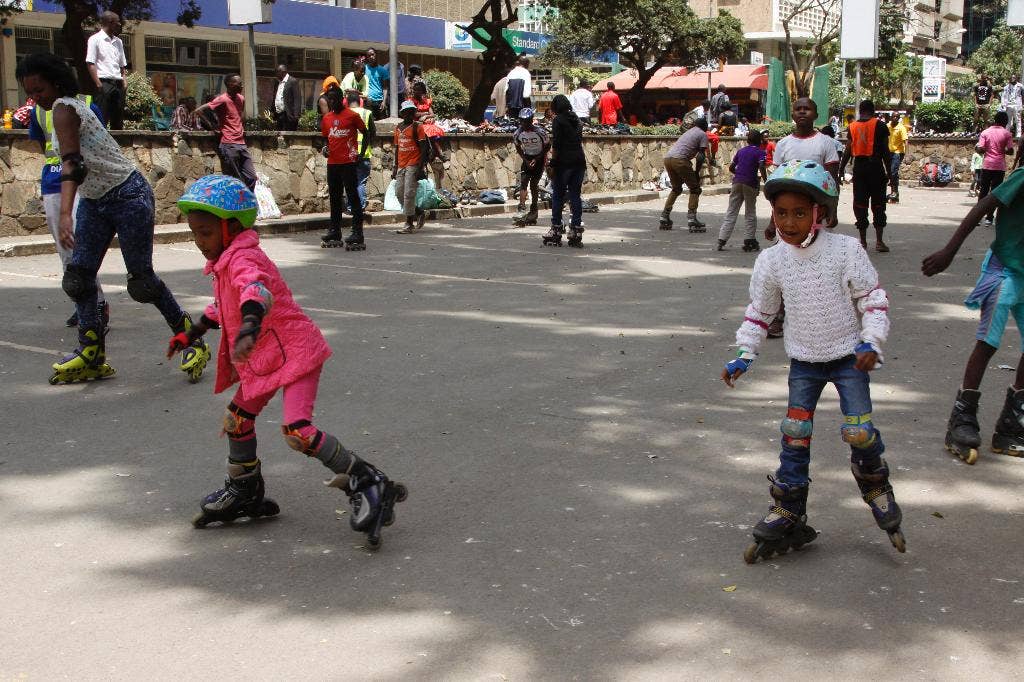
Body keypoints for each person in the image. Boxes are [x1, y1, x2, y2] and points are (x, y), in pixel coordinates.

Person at [172, 175, 407, 545]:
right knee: (236, 420)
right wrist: (193, 332)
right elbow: (224, 305)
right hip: (266, 358)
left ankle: (367, 478)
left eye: (204, 233)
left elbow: (256, 291)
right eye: (195, 234)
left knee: (297, 431)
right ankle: (245, 489)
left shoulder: (244, 257)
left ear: (229, 227)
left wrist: (250, 323)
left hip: (295, 352)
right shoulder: (225, 259)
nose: (199, 243)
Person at [722, 160, 903, 563]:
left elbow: (872, 299)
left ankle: (875, 485)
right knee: (794, 432)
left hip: (848, 360)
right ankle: (788, 507)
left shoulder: (845, 250)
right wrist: (744, 355)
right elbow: (760, 313)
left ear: (819, 213)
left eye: (800, 213)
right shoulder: (771, 261)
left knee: (859, 432)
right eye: (782, 212)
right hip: (804, 361)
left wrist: (871, 340)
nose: (789, 221)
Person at [17, 52, 210, 385]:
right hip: (95, 200)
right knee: (78, 276)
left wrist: (65, 214)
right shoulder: (57, 108)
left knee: (142, 282)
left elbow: (73, 165)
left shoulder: (64, 108)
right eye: (30, 92)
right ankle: (91, 351)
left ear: (56, 83)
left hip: (127, 195)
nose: (36, 98)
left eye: (40, 90)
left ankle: (191, 338)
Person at [923, 166, 1024, 464]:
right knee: (989, 341)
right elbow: (983, 206)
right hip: (1003, 269)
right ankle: (962, 417)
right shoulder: (1022, 177)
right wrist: (949, 252)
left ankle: (1012, 422)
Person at [29, 93, 107, 327]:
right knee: (66, 251)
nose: (35, 92)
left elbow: (100, 140)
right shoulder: (38, 110)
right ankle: (84, 304)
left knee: (80, 249)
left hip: (83, 182)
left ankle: (97, 306)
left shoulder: (87, 104)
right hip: (54, 183)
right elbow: (44, 146)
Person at [839, 99, 892, 252]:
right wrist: (890, 173)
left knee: (860, 204)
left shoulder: (852, 127)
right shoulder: (880, 125)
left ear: (860, 111)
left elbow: (848, 149)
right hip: (875, 168)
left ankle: (862, 241)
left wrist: (841, 169)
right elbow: (885, 152)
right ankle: (879, 242)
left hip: (860, 169)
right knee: (878, 204)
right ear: (873, 110)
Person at [319, 86, 368, 250]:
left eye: (334, 99)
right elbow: (327, 138)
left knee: (352, 197)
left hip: (348, 162)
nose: (332, 102)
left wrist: (360, 153)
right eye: (329, 99)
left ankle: (357, 231)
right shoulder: (327, 118)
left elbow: (367, 132)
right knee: (334, 197)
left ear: (341, 99)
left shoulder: (352, 116)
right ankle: (334, 230)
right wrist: (325, 148)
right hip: (333, 163)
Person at [194, 74, 257, 191]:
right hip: (228, 144)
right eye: (239, 83)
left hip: (241, 143)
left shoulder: (241, 99)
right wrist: (213, 126)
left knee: (252, 177)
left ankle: (247, 202)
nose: (242, 86)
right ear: (230, 84)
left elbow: (239, 116)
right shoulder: (222, 99)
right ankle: (238, 205)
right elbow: (199, 111)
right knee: (235, 180)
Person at [542, 94, 587, 248]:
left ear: (555, 107)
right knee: (575, 195)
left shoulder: (558, 120)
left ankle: (556, 228)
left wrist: (552, 164)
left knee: (558, 195)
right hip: (579, 162)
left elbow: (557, 145)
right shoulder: (577, 120)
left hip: (564, 163)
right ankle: (575, 229)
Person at [716, 129, 767, 252]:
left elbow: (732, 167)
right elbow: (761, 166)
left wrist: (739, 173)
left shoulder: (741, 151)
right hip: (750, 183)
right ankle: (749, 240)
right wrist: (766, 181)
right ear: (759, 141)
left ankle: (722, 239)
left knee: (731, 211)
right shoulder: (760, 152)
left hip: (737, 181)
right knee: (750, 212)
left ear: (748, 140)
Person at [659, 117, 709, 232]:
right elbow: (701, 155)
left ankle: (664, 216)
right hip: (680, 160)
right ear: (703, 125)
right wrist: (696, 172)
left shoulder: (689, 132)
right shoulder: (702, 134)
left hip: (668, 159)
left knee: (676, 189)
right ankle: (692, 218)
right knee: (695, 189)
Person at [392, 100, 430, 235]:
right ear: (402, 113)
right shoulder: (398, 128)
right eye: (406, 112)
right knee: (398, 192)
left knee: (409, 193)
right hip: (401, 164)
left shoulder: (417, 127)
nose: (409, 115)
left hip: (413, 163)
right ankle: (418, 212)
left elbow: (424, 148)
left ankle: (409, 223)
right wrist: (395, 167)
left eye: (411, 112)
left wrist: (420, 167)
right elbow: (397, 148)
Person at [86, 11, 127, 130]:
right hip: (103, 82)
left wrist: (124, 82)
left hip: (118, 83)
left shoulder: (118, 42)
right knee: (101, 119)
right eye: (117, 23)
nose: (119, 25)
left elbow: (122, 65)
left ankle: (118, 147)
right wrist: (98, 84)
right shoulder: (95, 39)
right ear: (110, 23)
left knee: (118, 121)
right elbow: (90, 63)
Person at [976, 110, 1016, 225]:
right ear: (1005, 122)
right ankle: (989, 218)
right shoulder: (1007, 134)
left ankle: (978, 218)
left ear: (995, 120)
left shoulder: (985, 132)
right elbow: (1010, 151)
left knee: (983, 191)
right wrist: (1001, 150)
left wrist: (986, 149)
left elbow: (980, 149)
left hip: (987, 165)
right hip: (999, 167)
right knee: (995, 192)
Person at [512, 107, 550, 227]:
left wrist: (537, 159)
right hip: (527, 158)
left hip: (539, 159)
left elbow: (548, 146)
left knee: (534, 185)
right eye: (522, 122)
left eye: (527, 121)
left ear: (531, 120)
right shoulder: (517, 133)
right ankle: (521, 208)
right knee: (523, 182)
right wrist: (525, 159)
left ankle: (534, 210)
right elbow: (518, 146)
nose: (525, 124)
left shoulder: (540, 131)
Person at [410, 81, 447, 190]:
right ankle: (437, 152)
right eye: (415, 89)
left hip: (426, 122)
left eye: (419, 90)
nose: (416, 91)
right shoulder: (411, 101)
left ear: (422, 91)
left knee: (433, 130)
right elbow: (415, 114)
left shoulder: (426, 101)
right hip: (417, 124)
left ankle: (437, 152)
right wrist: (426, 114)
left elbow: (432, 114)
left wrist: (428, 117)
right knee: (427, 131)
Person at [347, 93, 376, 210]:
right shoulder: (367, 113)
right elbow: (373, 133)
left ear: (347, 102)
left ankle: (350, 207)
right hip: (364, 154)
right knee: (360, 182)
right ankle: (360, 207)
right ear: (360, 102)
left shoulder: (345, 114)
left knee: (350, 182)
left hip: (349, 154)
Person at [272, 64, 301, 131]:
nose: (276, 74)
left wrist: (296, 115)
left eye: (277, 72)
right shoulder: (277, 83)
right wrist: (272, 110)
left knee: (289, 137)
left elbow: (297, 99)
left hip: (289, 115)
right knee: (280, 136)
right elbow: (275, 97)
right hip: (279, 115)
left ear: (283, 72)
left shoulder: (292, 81)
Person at [887, 113, 907, 203]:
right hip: (888, 152)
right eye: (894, 116)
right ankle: (894, 192)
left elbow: (905, 141)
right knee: (890, 173)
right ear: (891, 117)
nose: (895, 118)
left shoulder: (901, 128)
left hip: (897, 152)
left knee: (893, 171)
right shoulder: (887, 126)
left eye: (897, 117)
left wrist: (906, 153)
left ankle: (894, 191)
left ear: (899, 118)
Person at [364, 48, 390, 117]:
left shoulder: (382, 70)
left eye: (372, 54)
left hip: (380, 101)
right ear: (367, 57)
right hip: (368, 101)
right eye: (369, 56)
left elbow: (385, 87)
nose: (371, 57)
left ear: (376, 55)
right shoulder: (364, 69)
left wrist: (384, 101)